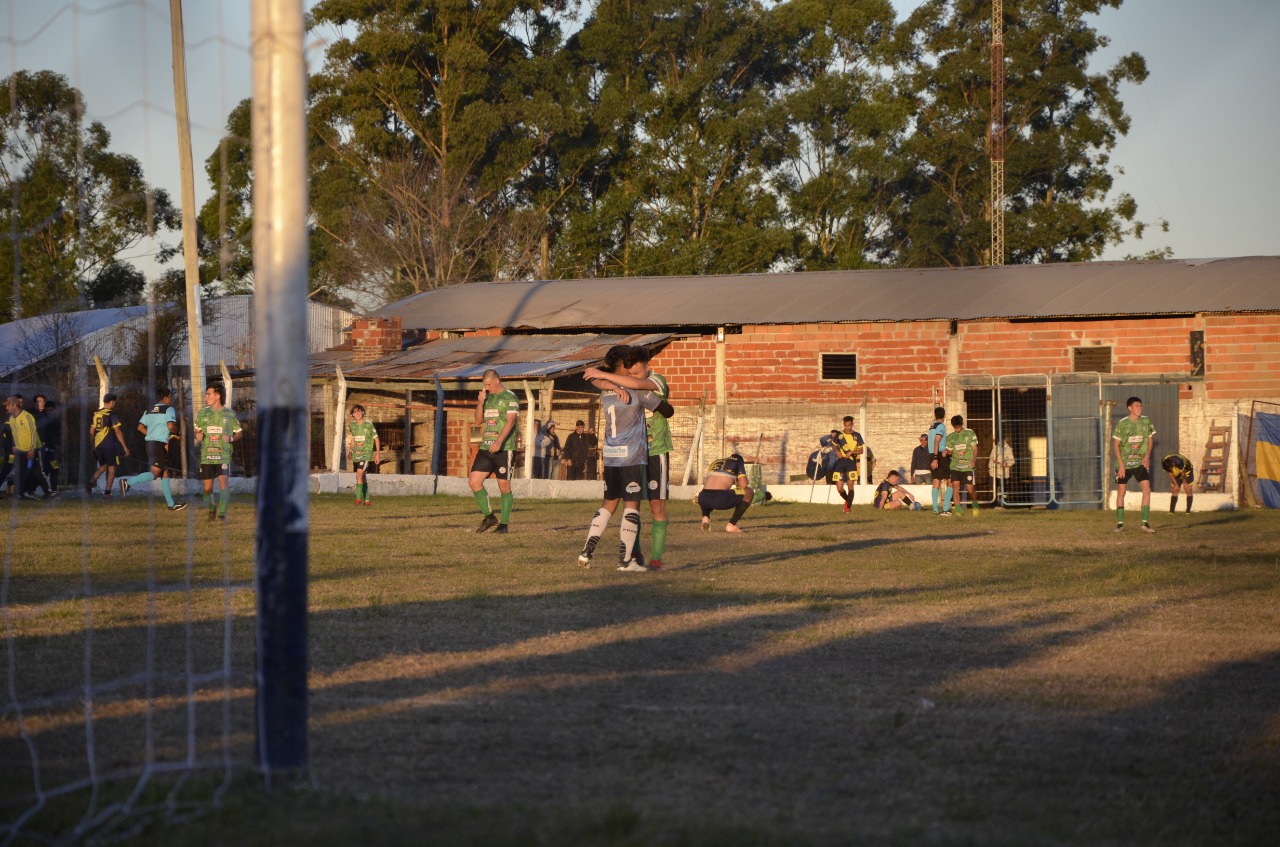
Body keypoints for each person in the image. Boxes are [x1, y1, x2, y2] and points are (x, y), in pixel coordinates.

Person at [578, 346, 674, 571]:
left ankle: (655, 557)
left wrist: (606, 378)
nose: (632, 375)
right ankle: (631, 555)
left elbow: (638, 385)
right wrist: (612, 382)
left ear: (646, 366)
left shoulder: (655, 380)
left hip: (654, 450)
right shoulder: (627, 388)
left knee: (654, 504)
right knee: (632, 504)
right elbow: (664, 407)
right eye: (628, 371)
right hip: (633, 454)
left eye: (636, 371)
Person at [118, 388, 186, 511]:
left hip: (150, 443)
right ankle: (127, 483)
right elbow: (171, 426)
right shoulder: (168, 409)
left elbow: (140, 427)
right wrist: (178, 431)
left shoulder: (149, 410)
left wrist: (153, 435)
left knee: (165, 472)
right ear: (165, 398)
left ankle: (171, 504)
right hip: (158, 445)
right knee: (155, 473)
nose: (170, 400)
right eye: (170, 397)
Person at [469, 369, 519, 534]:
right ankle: (489, 516)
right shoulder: (487, 397)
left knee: (503, 486)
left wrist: (499, 441)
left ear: (497, 380)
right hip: (486, 447)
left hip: (504, 448)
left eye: (489, 384)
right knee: (474, 482)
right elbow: (477, 421)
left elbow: (510, 422)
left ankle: (504, 525)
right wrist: (480, 403)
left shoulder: (510, 397)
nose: (487, 388)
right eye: (485, 385)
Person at [194, 383, 243, 522]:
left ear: (217, 396)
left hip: (224, 454)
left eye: (208, 394)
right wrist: (197, 435)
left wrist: (231, 438)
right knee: (207, 488)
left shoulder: (229, 414)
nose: (206, 397)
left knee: (223, 482)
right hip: (206, 455)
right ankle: (211, 509)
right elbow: (197, 431)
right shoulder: (203, 413)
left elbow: (239, 433)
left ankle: (222, 514)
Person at [1112, 396, 1156, 533]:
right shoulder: (1122, 423)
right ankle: (1120, 524)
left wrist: (1147, 457)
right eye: (1137, 406)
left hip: (1140, 463)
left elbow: (1150, 440)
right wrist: (1121, 466)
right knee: (1122, 491)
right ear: (1130, 408)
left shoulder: (1146, 421)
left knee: (1147, 490)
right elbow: (1116, 445)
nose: (1140, 408)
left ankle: (1144, 523)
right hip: (1124, 463)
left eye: (1141, 405)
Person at [695, 452, 754, 532]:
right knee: (749, 492)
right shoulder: (738, 461)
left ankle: (705, 518)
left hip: (702, 498)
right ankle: (732, 525)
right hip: (719, 499)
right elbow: (743, 485)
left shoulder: (716, 462)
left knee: (709, 493)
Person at [87, 392, 130, 498]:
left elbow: (91, 431)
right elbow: (118, 432)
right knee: (112, 469)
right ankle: (107, 493)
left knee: (103, 466)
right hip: (109, 445)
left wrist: (93, 445)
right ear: (111, 402)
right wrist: (125, 447)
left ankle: (89, 484)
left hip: (99, 446)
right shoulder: (112, 414)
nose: (115, 404)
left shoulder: (97, 413)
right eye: (115, 402)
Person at [6, 395, 46, 500]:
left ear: (14, 405)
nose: (6, 408)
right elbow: (15, 434)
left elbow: (32, 433)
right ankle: (19, 494)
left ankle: (49, 492)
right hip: (21, 450)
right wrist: (14, 445)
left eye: (8, 406)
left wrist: (31, 449)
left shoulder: (27, 416)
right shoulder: (11, 419)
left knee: (38, 472)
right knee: (20, 472)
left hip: (33, 449)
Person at [944, 415, 979, 516]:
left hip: (967, 466)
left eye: (958, 427)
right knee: (956, 487)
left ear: (962, 424)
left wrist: (973, 460)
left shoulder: (970, 433)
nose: (957, 429)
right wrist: (947, 452)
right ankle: (958, 511)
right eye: (955, 427)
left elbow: (975, 448)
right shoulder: (951, 437)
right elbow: (950, 451)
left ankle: (975, 506)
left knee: (970, 489)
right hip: (955, 466)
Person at [347, 404, 381, 506]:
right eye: (355, 412)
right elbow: (353, 439)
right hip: (356, 454)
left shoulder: (369, 424)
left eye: (359, 411)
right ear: (352, 414)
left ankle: (358, 499)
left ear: (363, 412)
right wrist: (350, 451)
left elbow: (376, 439)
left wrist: (377, 454)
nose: (357, 414)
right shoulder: (352, 425)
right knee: (361, 477)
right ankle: (367, 500)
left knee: (359, 474)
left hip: (366, 454)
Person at [831, 415, 864, 514]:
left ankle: (848, 507)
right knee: (839, 488)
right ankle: (847, 501)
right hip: (840, 462)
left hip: (851, 462)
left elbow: (861, 450)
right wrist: (837, 452)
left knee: (850, 486)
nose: (847, 427)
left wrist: (852, 452)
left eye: (849, 425)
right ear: (843, 424)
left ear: (852, 424)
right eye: (845, 425)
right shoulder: (839, 435)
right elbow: (834, 447)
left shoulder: (857, 436)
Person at [33, 394, 60, 496]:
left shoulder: (56, 420)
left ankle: (52, 490)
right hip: (45, 449)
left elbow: (57, 434)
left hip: (51, 449)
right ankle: (50, 491)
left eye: (50, 410)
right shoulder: (44, 421)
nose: (48, 412)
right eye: (47, 410)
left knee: (53, 470)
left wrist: (57, 443)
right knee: (51, 470)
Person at [927, 406, 950, 515]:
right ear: (944, 415)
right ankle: (945, 508)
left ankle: (935, 509)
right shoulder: (941, 426)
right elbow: (937, 441)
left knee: (936, 481)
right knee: (950, 480)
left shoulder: (931, 426)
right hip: (939, 455)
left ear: (935, 415)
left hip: (932, 454)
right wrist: (936, 458)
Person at [988, 436, 1016, 501]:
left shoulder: (1009, 449)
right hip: (994, 473)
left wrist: (1006, 463)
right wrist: (990, 468)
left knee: (1004, 489)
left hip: (1004, 473)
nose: (999, 442)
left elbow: (1012, 461)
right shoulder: (995, 448)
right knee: (994, 489)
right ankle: (994, 503)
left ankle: (1004, 502)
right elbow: (991, 458)